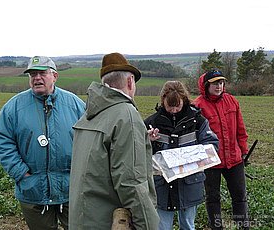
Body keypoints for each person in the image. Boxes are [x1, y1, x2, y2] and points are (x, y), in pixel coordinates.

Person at [0, 56, 86, 230]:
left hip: (71, 190)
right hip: (33, 190)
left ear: (55, 76)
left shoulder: (75, 105)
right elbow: (2, 142)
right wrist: (21, 173)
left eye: (42, 73)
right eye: (32, 74)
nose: (37, 78)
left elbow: (91, 140)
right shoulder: (14, 107)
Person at [69, 52, 159, 229]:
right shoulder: (126, 115)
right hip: (108, 222)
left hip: (83, 220)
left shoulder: (89, 116)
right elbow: (131, 183)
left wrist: (139, 140)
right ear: (130, 81)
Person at [144, 80, 219, 230]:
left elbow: (213, 146)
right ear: (162, 100)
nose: (173, 110)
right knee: (162, 227)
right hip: (162, 186)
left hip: (190, 184)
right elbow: (139, 153)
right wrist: (147, 140)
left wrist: (192, 154)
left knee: (188, 226)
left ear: (184, 100)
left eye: (177, 105)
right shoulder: (151, 122)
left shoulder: (198, 121)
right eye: (169, 106)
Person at [194, 69, 249, 229]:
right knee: (212, 198)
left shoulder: (232, 101)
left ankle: (243, 226)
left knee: (239, 196)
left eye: (221, 82)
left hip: (234, 158)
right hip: (211, 161)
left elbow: (240, 129)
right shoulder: (197, 106)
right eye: (214, 83)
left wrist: (244, 151)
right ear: (206, 85)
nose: (219, 86)